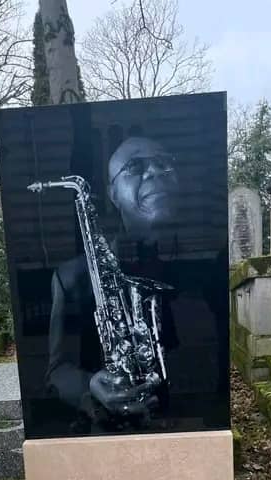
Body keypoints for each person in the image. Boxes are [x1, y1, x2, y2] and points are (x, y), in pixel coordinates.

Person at [46, 136, 180, 429]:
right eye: (134, 166)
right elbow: (57, 372)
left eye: (163, 163)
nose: (154, 172)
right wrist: (89, 386)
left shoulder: (200, 271)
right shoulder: (72, 277)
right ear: (113, 194)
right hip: (105, 427)